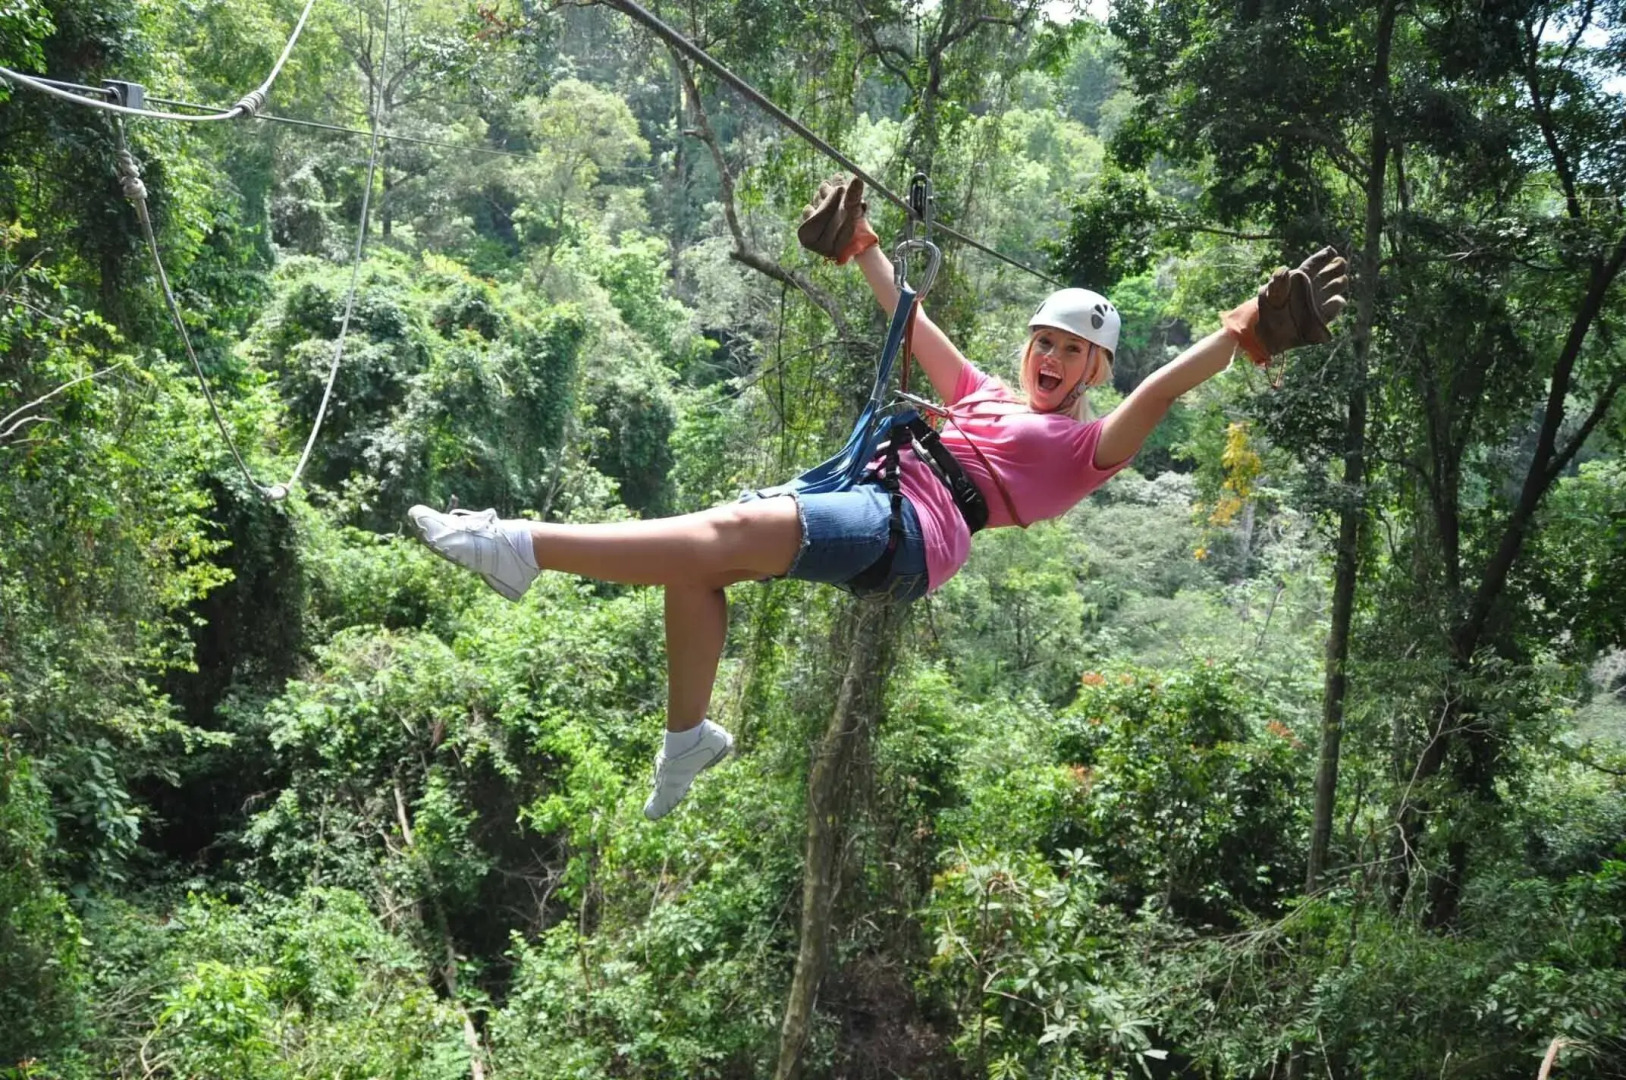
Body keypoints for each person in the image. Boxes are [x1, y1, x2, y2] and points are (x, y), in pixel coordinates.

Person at [407, 177, 1348, 821]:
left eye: (1075, 353)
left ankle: (516, 545)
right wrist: (860, 244)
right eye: (1045, 343)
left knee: (721, 531)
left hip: (914, 528)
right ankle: (687, 738)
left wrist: (1245, 332)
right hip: (868, 488)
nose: (1053, 360)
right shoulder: (981, 391)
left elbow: (1162, 393)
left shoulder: (1083, 447)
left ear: (1095, 371)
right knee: (697, 568)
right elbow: (912, 320)